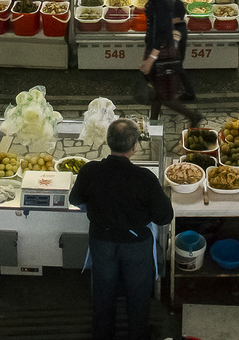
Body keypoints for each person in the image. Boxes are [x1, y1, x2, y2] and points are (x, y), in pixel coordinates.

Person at [67, 119, 174, 340]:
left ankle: (103, 334)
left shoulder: (89, 171)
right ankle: (137, 333)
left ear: (108, 142)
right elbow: (164, 217)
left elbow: (75, 198)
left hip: (102, 242)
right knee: (137, 295)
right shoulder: (145, 178)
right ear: (134, 146)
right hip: (136, 247)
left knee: (103, 293)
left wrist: (100, 210)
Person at [135, 0, 201, 127]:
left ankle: (193, 116)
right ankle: (154, 122)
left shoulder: (163, 2)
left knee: (164, 95)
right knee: (157, 90)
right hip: (156, 49)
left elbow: (164, 32)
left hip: (162, 53)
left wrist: (151, 58)